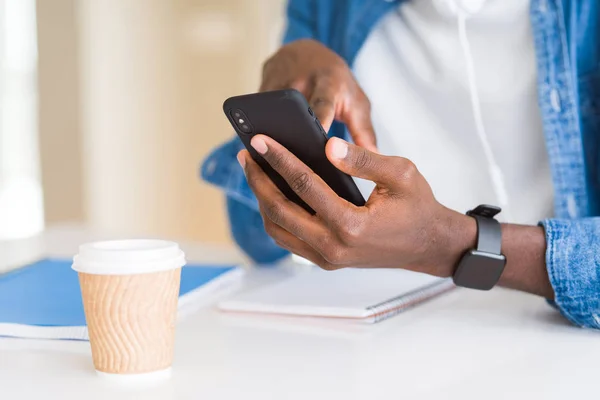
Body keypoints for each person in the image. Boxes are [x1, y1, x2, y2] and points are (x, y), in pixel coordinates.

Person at [201, 0, 600, 329]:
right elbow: (257, 241)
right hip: (381, 332)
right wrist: (273, 109)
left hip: (548, 339)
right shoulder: (327, 7)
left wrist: (446, 243)